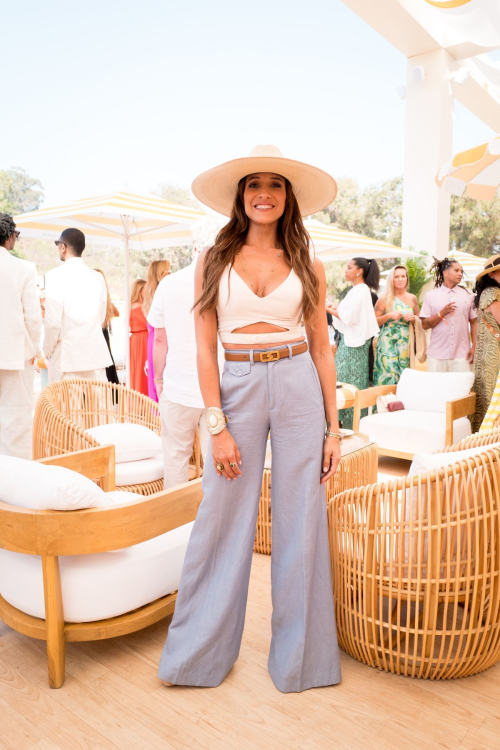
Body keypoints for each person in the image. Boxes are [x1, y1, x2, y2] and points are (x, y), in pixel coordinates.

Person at [158, 144, 342, 693]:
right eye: (254, 184)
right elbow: (203, 348)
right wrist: (215, 425)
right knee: (220, 517)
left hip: (297, 385)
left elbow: (322, 348)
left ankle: (302, 663)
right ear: (241, 197)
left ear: (288, 198)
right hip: (235, 387)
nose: (265, 193)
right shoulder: (212, 260)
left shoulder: (309, 263)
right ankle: (196, 658)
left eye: (275, 185)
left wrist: (334, 430)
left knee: (302, 518)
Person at [147, 248, 211, 488]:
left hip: (178, 385)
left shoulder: (169, 284)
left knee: (175, 460)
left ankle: (175, 523)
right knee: (217, 463)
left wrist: (159, 379)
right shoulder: (228, 282)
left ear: (194, 248)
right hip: (219, 388)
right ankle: (217, 522)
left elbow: (160, 340)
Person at [44, 229, 112, 381]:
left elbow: (53, 323)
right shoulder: (97, 276)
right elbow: (101, 317)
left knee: (67, 405)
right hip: (95, 354)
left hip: (67, 356)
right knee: (98, 405)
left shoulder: (54, 276)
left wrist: (48, 350)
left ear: (63, 247)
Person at [0, 214, 42, 459]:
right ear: (10, 236)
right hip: (15, 353)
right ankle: (13, 489)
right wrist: (33, 350)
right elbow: (33, 319)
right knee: (15, 425)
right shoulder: (24, 268)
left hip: (15, 353)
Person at [328, 258, 380, 428]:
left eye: (349, 267)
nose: (345, 270)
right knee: (346, 383)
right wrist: (333, 308)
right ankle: (346, 425)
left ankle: (351, 426)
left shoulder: (361, 290)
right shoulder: (358, 290)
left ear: (359, 271)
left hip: (353, 347)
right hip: (350, 343)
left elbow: (348, 317)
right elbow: (347, 315)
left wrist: (325, 308)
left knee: (349, 384)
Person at [420, 257, 477, 373]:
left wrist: (474, 346)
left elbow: (474, 321)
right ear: (445, 273)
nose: (460, 274)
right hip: (437, 355)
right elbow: (425, 325)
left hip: (462, 354)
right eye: (456, 271)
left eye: (461, 271)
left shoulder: (468, 295)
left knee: (461, 390)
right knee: (436, 390)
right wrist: (441, 313)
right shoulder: (431, 296)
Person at [374, 265, 420, 386]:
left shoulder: (413, 298)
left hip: (405, 343)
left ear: (406, 279)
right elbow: (373, 322)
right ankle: (382, 404)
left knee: (404, 376)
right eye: (397, 277)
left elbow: (420, 321)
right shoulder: (384, 298)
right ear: (392, 279)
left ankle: (403, 404)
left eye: (403, 276)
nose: (400, 279)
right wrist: (388, 316)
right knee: (386, 374)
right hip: (387, 342)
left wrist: (413, 318)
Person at [471, 255, 500, 432]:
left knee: (484, 396)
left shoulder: (486, 293)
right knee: (493, 399)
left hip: (485, 353)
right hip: (494, 353)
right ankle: (489, 442)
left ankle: (480, 441)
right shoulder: (494, 293)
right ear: (491, 274)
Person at [142, 260, 171, 402]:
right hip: (162, 339)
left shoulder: (149, 296)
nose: (171, 273)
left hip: (153, 341)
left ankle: (158, 416)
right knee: (162, 381)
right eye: (168, 270)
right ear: (161, 274)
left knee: (157, 381)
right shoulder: (166, 295)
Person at [95, 269, 120, 387]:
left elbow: (117, 313)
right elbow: (117, 313)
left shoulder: (100, 299)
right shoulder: (106, 298)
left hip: (99, 334)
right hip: (103, 333)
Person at [129, 279, 148, 395]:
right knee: (142, 371)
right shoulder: (138, 307)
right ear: (139, 291)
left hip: (139, 339)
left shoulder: (137, 306)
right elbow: (149, 322)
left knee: (138, 371)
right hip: (141, 340)